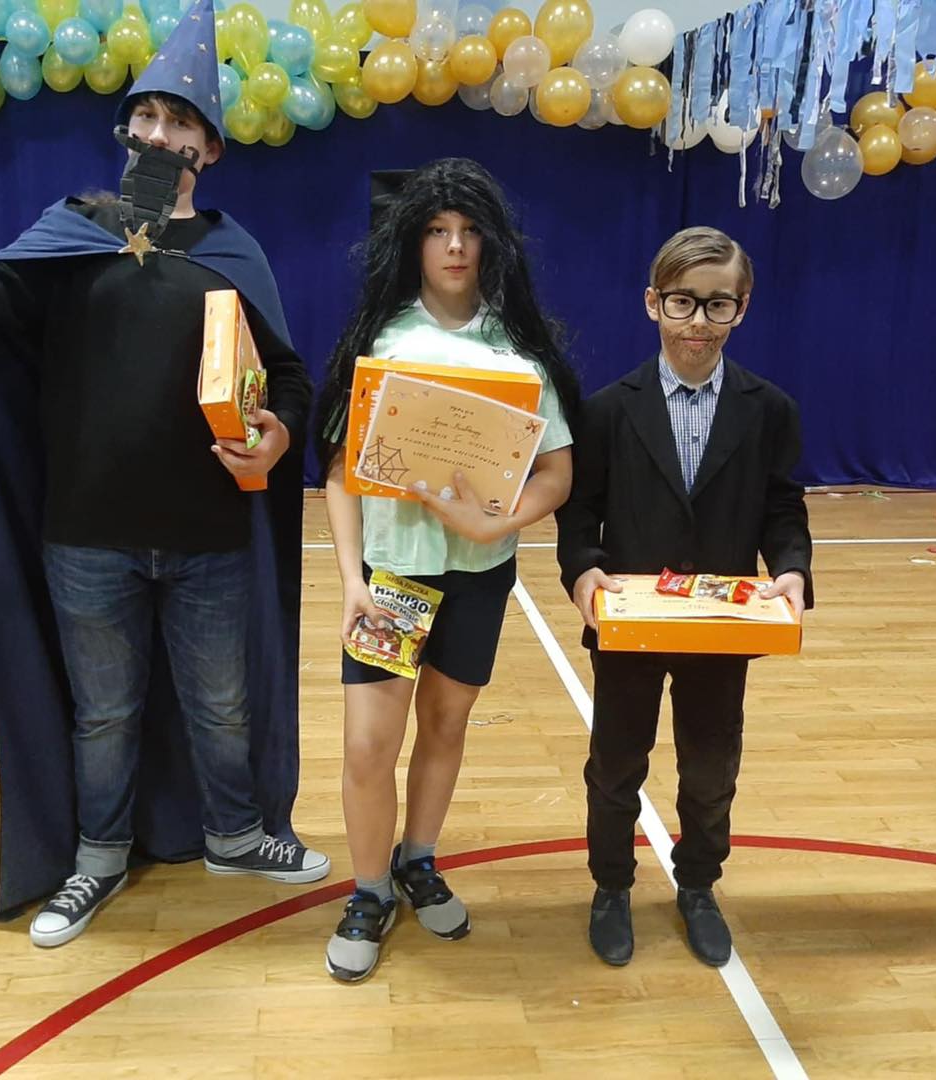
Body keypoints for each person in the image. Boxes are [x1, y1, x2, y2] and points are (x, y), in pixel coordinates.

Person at [0, 0, 328, 948]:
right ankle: (97, 858)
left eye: (179, 121)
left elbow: (291, 377)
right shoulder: (74, 232)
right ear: (125, 130)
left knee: (222, 706)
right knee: (103, 715)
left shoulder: (233, 253)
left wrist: (278, 438)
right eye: (145, 115)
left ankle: (236, 834)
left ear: (209, 150)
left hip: (210, 537)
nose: (157, 131)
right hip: (88, 537)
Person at [313, 158, 580, 983]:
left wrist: (500, 520)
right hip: (393, 578)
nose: (455, 246)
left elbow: (557, 474)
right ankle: (368, 892)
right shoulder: (382, 341)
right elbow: (340, 473)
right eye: (437, 230)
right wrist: (352, 580)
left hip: (478, 578)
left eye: (468, 231)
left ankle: (418, 859)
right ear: (413, 241)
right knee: (369, 744)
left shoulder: (518, 349)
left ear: (491, 242)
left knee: (446, 726)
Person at [556, 226, 812, 968]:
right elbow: (580, 512)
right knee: (616, 765)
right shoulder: (607, 410)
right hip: (629, 627)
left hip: (720, 628)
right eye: (682, 302)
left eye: (717, 304)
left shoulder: (769, 410)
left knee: (710, 767)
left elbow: (783, 507)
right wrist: (583, 571)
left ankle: (698, 884)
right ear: (652, 303)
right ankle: (611, 886)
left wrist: (792, 568)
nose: (699, 320)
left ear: (742, 308)